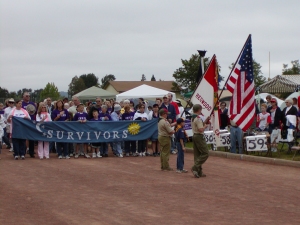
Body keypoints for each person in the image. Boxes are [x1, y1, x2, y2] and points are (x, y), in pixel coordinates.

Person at [191, 104, 209, 178]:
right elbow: (200, 129)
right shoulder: (198, 118)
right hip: (199, 136)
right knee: (205, 153)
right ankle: (195, 167)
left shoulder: (193, 117)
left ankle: (198, 171)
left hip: (194, 135)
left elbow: (199, 125)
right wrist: (205, 126)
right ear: (199, 110)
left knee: (197, 154)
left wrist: (206, 120)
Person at [21, 92, 36, 158]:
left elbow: (35, 113)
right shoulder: (21, 104)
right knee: (24, 138)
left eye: (29, 96)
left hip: (31, 122)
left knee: (31, 138)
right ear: (23, 97)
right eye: (26, 96)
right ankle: (23, 152)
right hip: (24, 122)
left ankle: (31, 152)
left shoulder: (32, 104)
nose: (28, 97)